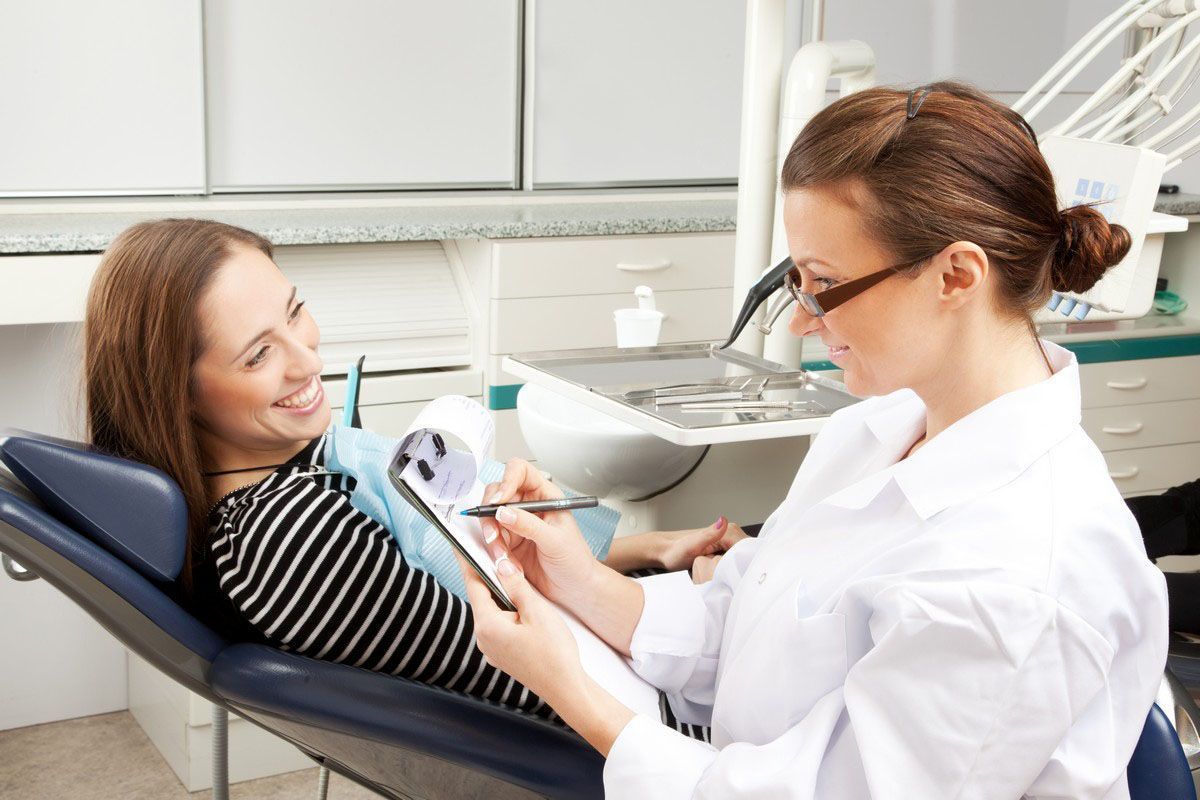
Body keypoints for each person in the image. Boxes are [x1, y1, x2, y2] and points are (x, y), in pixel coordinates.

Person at [459, 82, 1170, 798]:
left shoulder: (1020, 574)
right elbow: (750, 621)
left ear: (956, 275)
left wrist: (568, 685)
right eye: (794, 281)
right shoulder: (873, 429)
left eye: (824, 283)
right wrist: (578, 580)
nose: (801, 321)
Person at [82, 217, 742, 731]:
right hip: (661, 730)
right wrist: (696, 627)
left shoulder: (295, 471)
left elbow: (466, 580)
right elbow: (518, 672)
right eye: (257, 356)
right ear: (177, 394)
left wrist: (650, 556)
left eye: (293, 311)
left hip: (636, 672)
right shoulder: (284, 536)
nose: (305, 360)